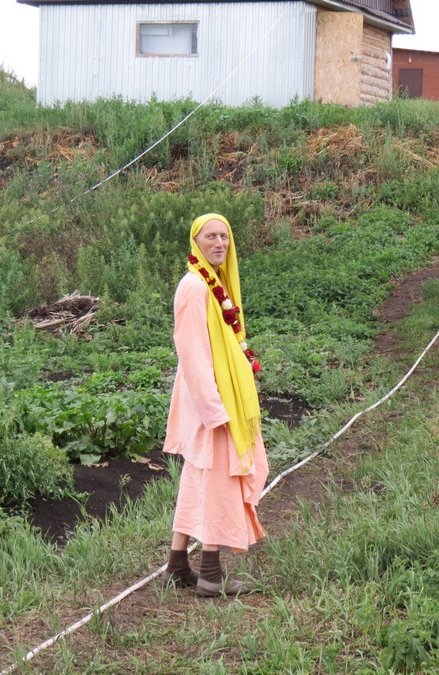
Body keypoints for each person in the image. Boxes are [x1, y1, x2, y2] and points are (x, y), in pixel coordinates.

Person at [162, 213, 268, 597]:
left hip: (216, 396)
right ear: (196, 242)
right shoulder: (194, 287)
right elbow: (191, 353)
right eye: (211, 236)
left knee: (197, 477)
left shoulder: (216, 283)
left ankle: (177, 566)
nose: (219, 243)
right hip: (210, 400)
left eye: (224, 236)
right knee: (221, 478)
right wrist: (214, 411)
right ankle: (210, 573)